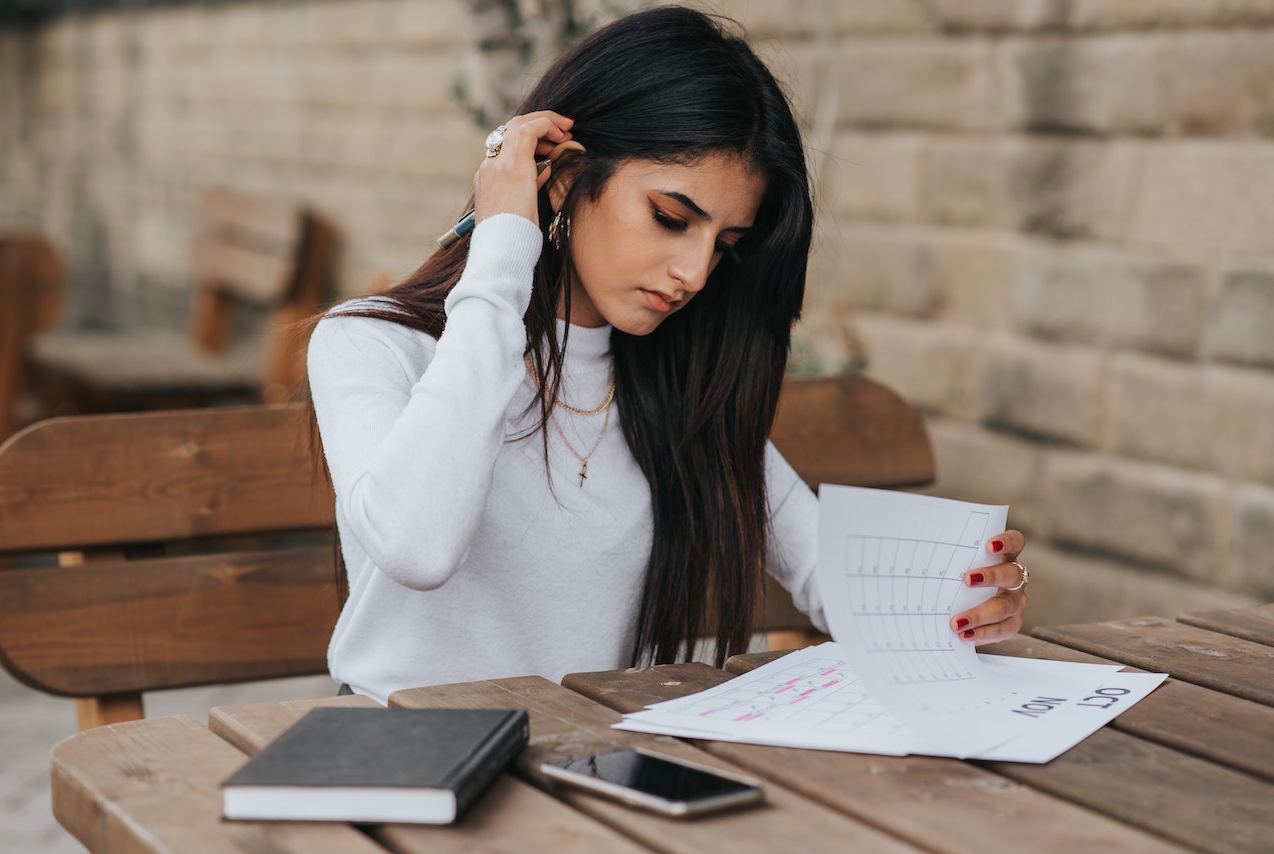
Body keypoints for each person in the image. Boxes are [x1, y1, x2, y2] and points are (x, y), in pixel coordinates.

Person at [307, 6, 1028, 704]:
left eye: (724, 244)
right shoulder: (373, 343)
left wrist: (961, 599)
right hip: (412, 778)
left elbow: (831, 577)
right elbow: (417, 547)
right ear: (558, 175)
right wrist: (501, 248)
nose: (694, 272)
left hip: (603, 786)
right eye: (670, 218)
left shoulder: (676, 381)